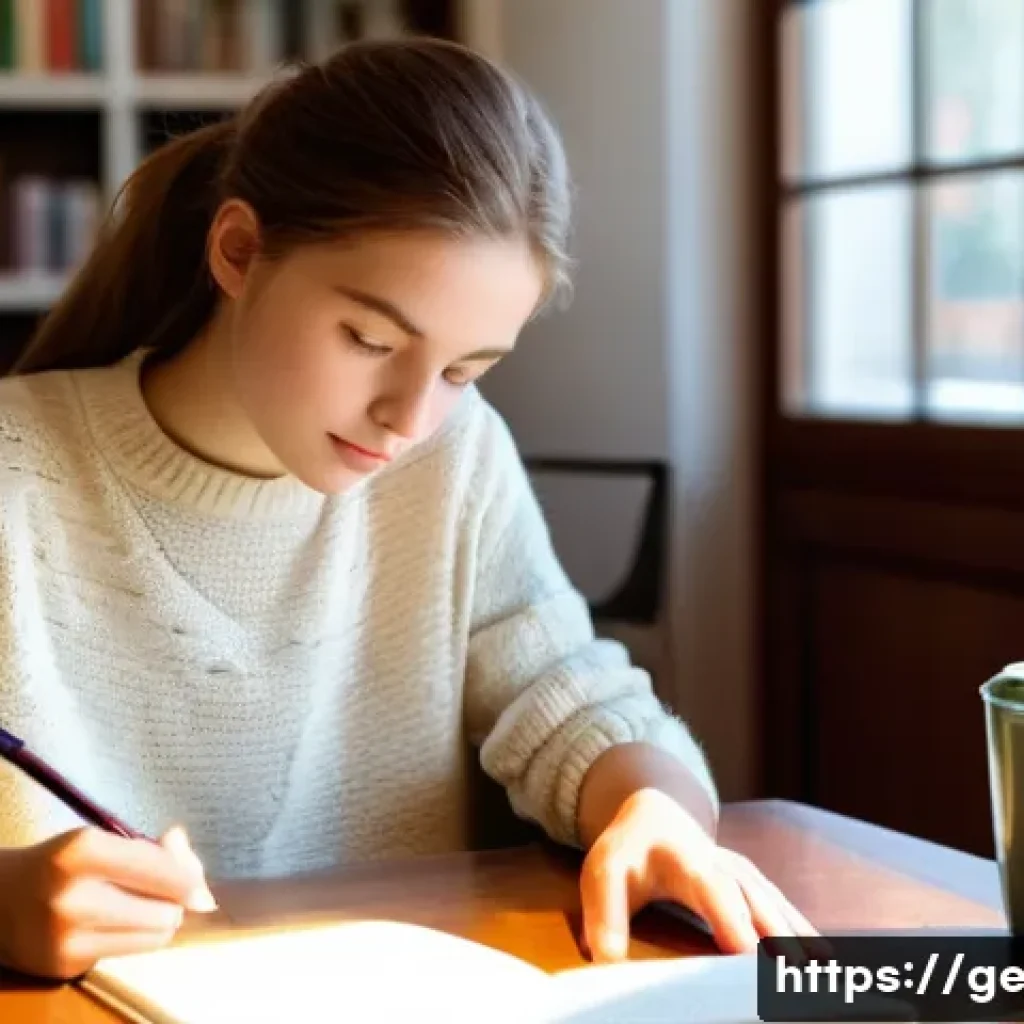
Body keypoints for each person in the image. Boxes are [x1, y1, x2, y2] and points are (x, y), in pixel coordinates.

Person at [0, 38, 814, 981]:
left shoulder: (453, 458)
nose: (410, 418)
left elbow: (563, 688)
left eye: (467, 371)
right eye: (370, 337)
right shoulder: (20, 471)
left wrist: (655, 805)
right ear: (238, 251)